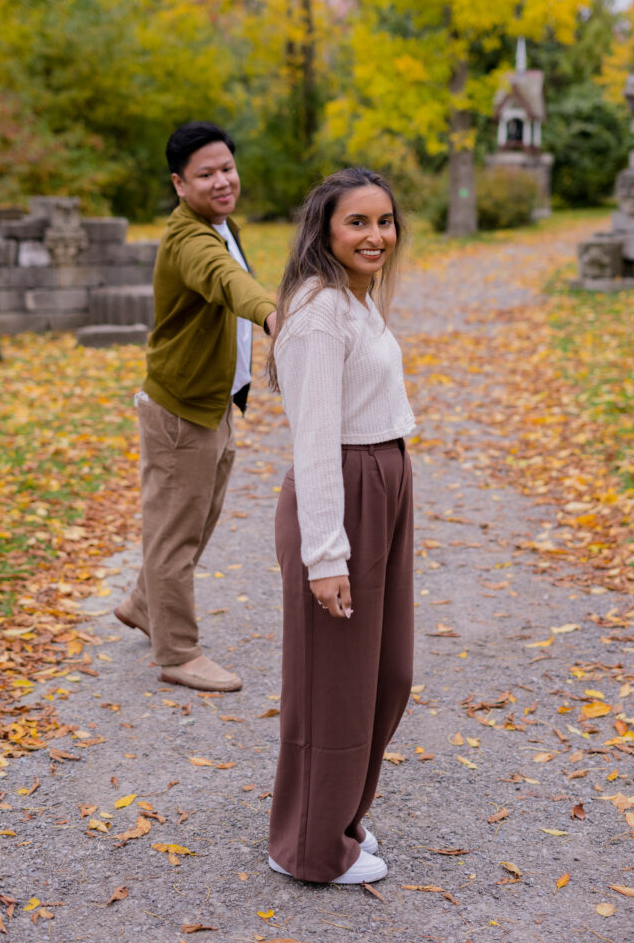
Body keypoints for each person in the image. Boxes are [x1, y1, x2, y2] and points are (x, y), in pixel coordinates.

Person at [266, 168, 415, 885]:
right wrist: (326, 555)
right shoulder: (316, 311)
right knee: (334, 684)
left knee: (384, 675)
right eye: (357, 222)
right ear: (324, 228)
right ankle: (308, 847)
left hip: (383, 486)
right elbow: (315, 440)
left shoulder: (356, 302)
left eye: (383, 221)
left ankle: (341, 815)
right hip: (343, 495)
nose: (375, 235)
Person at [114, 121, 276, 692]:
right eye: (206, 174)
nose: (222, 180)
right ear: (180, 184)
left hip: (213, 404)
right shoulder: (190, 240)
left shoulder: (219, 224)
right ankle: (178, 653)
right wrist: (273, 315)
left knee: (196, 520)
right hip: (182, 411)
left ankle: (142, 602)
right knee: (175, 535)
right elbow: (226, 281)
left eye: (227, 168)